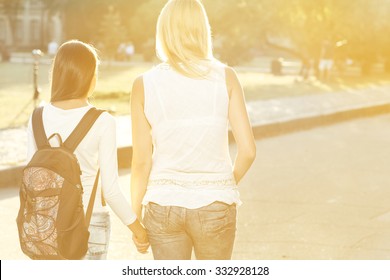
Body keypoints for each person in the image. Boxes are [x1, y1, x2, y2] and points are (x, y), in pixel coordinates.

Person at [130, 0, 256, 260]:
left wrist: (135, 217)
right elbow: (248, 151)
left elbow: (141, 161)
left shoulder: (143, 84)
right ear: (202, 29)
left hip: (163, 204)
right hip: (215, 203)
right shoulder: (226, 76)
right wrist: (224, 185)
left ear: (164, 31)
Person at [26, 40, 149, 260]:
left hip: (46, 224)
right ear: (90, 78)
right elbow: (111, 191)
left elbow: (32, 183)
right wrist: (139, 230)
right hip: (90, 222)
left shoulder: (36, 117)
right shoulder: (102, 121)